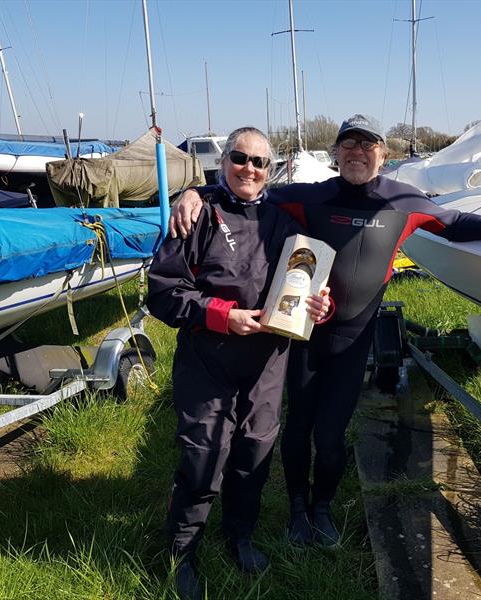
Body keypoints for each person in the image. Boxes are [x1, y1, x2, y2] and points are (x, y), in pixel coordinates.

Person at [168, 114, 481, 549]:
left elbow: (453, 222)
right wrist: (194, 193)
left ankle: (322, 508)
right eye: (348, 144)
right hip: (301, 336)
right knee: (298, 426)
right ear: (336, 153)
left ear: (383, 154)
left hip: (352, 340)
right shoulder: (308, 198)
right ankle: (297, 507)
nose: (357, 152)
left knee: (331, 434)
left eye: (366, 145)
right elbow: (246, 190)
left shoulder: (404, 202)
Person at [147, 126, 330, 600]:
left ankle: (239, 536)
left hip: (268, 363)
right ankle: (181, 552)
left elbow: (303, 286)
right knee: (204, 456)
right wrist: (222, 316)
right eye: (240, 159)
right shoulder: (198, 214)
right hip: (209, 360)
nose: (249, 169)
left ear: (270, 171)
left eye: (259, 162)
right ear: (224, 161)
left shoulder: (284, 222)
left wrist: (318, 306)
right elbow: (162, 292)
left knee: (253, 454)